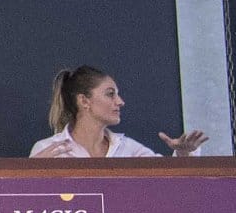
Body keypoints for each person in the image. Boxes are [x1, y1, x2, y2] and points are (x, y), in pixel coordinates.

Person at [31, 65, 208, 159]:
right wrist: (32, 175)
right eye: (110, 94)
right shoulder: (47, 150)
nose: (120, 102)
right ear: (84, 101)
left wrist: (184, 153)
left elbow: (170, 183)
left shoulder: (129, 149)